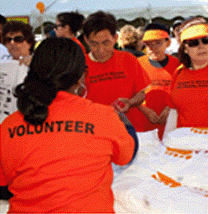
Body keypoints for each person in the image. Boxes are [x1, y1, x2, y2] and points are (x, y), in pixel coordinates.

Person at [0, 37, 136, 213]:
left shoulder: (8, 126)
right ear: (80, 76)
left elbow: (3, 186)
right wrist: (127, 126)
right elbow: (126, 156)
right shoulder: (102, 116)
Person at [82, 11, 150, 130]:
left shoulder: (128, 59)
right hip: (96, 130)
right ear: (86, 40)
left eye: (106, 43)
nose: (101, 49)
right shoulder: (80, 65)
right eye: (94, 44)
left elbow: (141, 93)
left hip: (130, 129)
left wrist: (129, 102)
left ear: (115, 38)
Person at [137, 22, 181, 139]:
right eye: (149, 44)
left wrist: (170, 108)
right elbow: (131, 93)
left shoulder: (177, 64)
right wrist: (145, 110)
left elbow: (181, 91)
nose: (153, 47)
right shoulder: (138, 64)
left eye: (158, 43)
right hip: (144, 122)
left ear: (168, 43)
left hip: (170, 122)